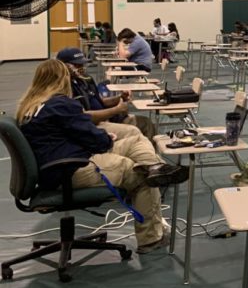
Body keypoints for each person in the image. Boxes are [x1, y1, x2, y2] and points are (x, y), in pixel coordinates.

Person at [16, 60, 187, 254]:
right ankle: (151, 238)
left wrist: (103, 139)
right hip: (71, 170)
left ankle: (156, 167)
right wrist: (106, 138)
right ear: (62, 79)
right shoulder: (61, 104)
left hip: (57, 167)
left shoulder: (28, 108)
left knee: (134, 142)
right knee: (141, 175)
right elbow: (96, 140)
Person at [57, 48, 134, 126]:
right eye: (77, 65)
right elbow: (83, 116)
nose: (81, 67)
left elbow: (102, 101)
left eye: (82, 64)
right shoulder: (64, 88)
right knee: (133, 130)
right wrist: (116, 110)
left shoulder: (86, 79)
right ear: (64, 66)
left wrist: (120, 98)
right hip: (92, 124)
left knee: (143, 122)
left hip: (106, 118)